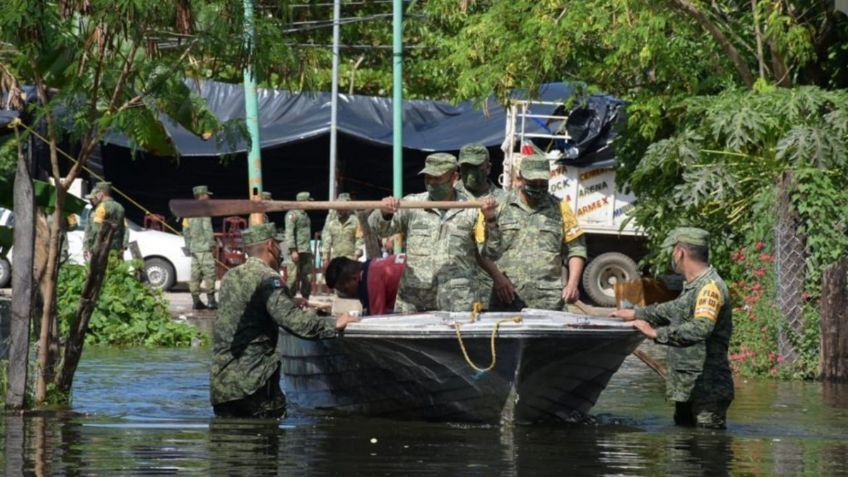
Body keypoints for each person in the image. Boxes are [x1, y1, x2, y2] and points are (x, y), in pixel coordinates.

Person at [210, 223, 359, 419]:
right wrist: (335, 324)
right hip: (253, 384)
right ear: (270, 245)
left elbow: (248, 306)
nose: (281, 252)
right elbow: (294, 322)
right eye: (279, 245)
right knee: (265, 440)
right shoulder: (269, 278)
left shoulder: (231, 276)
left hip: (222, 386)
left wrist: (287, 299)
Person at [609, 227, 734, 429]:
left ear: (680, 252)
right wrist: (637, 314)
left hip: (707, 390)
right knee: (682, 452)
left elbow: (700, 328)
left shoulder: (709, 287)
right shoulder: (694, 286)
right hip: (688, 386)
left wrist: (655, 333)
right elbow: (673, 309)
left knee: (708, 449)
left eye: (672, 251)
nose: (672, 257)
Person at [369, 152, 498, 312]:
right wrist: (384, 212)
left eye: (437, 178)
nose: (431, 183)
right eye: (427, 178)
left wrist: (491, 220)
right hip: (414, 301)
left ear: (454, 178)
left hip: (457, 302)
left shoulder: (471, 209)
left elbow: (491, 252)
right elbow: (379, 229)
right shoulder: (413, 205)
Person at [480, 154, 587, 311]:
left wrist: (572, 284)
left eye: (542, 182)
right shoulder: (498, 207)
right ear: (519, 180)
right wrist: (498, 278)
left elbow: (576, 249)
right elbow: (483, 249)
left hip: (548, 301)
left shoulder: (561, 208)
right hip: (507, 297)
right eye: (532, 182)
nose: (537, 186)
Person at [456, 143, 508, 305]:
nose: (471, 174)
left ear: (488, 168)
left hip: (493, 291)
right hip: (454, 292)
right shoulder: (448, 199)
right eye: (466, 168)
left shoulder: (505, 201)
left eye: (476, 168)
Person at [324, 255, 407, 316]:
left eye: (345, 290)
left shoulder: (371, 281)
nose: (347, 295)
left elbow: (377, 322)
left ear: (354, 278)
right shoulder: (370, 266)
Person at [182, 185, 218, 310]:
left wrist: (188, 246)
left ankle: (196, 302)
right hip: (204, 248)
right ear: (201, 196)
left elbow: (185, 230)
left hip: (194, 249)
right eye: (207, 195)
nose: (208, 197)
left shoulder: (188, 211)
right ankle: (211, 301)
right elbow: (208, 229)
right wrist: (212, 244)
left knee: (195, 275)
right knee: (210, 274)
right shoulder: (204, 210)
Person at [83, 181, 126, 261]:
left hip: (101, 250)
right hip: (116, 249)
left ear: (101, 194)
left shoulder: (101, 207)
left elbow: (96, 231)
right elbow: (123, 229)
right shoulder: (120, 207)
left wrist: (91, 248)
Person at [285, 191, 314, 299]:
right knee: (292, 277)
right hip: (296, 251)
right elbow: (289, 233)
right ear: (303, 201)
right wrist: (293, 250)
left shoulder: (305, 215)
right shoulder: (292, 214)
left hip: (305, 250)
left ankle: (305, 298)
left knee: (307, 276)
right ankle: (288, 299)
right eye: (308, 201)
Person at [321, 193, 364, 265]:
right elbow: (326, 238)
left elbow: (359, 238)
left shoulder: (355, 219)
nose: (339, 210)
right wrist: (325, 257)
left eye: (342, 208)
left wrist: (356, 255)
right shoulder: (332, 219)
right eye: (338, 208)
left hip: (350, 258)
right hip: (335, 258)